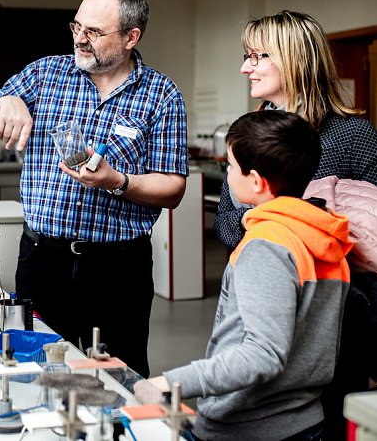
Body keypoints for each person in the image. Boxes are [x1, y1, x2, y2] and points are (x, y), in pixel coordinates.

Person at [0, 0, 188, 377]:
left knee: (122, 376)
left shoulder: (162, 95)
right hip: (44, 259)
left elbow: (173, 188)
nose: (80, 39)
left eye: (95, 32)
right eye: (76, 27)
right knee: (36, 372)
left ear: (131, 37)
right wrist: (5, 102)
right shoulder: (44, 74)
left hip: (120, 268)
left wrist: (117, 181)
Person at [212, 10, 377, 439]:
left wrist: (330, 216)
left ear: (294, 58)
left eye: (257, 56)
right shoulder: (248, 134)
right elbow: (226, 225)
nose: (246, 67)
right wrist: (284, 223)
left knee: (332, 420)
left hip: (336, 321)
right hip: (260, 312)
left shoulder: (351, 135)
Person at [137, 110, 351, 441]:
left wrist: (168, 382)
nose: (227, 175)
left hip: (248, 428)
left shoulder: (267, 246)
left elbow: (262, 355)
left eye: (230, 167)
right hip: (304, 421)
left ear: (255, 181)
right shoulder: (319, 235)